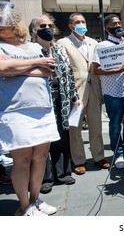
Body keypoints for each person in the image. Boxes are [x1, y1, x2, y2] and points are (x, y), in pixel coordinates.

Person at [0, 1, 58, 216]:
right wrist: (36, 64)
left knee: (40, 157)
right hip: (15, 110)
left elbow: (49, 70)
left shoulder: (33, 46)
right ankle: (24, 206)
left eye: (3, 22)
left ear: (15, 23)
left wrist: (15, 69)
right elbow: (2, 67)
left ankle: (35, 200)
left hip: (42, 108)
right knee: (22, 159)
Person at [29, 14, 82, 193]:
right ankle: (45, 177)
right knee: (43, 140)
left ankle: (63, 173)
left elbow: (68, 74)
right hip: (40, 102)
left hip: (61, 99)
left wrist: (74, 96)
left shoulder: (58, 49)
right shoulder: (30, 50)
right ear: (34, 30)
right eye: (42, 26)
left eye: (50, 25)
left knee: (61, 136)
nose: (47, 29)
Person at [57, 13, 109, 175]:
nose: (81, 24)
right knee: (75, 128)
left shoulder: (93, 42)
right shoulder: (63, 43)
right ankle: (79, 160)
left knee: (96, 125)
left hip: (94, 89)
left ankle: (98, 156)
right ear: (71, 26)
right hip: (75, 92)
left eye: (83, 21)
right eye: (77, 22)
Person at [92, 14, 124, 169]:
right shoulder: (101, 46)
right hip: (114, 93)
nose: (118, 25)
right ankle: (118, 153)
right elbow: (96, 70)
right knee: (115, 125)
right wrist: (118, 69)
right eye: (114, 23)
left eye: (119, 22)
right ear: (107, 28)